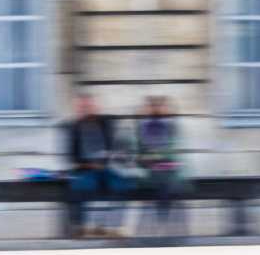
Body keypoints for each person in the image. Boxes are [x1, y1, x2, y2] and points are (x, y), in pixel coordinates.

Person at [62, 93, 128, 239]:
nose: (86, 109)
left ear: (96, 107)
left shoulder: (107, 123)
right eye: (82, 106)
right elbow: (71, 156)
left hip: (109, 166)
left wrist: (115, 157)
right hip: (86, 168)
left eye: (89, 106)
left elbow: (119, 146)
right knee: (82, 185)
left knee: (121, 184)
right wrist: (90, 165)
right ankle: (82, 226)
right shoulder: (73, 127)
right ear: (77, 109)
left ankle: (114, 226)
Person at [135, 94, 185, 235]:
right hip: (149, 169)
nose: (156, 109)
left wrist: (162, 157)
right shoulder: (143, 126)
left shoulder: (171, 125)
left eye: (160, 106)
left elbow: (174, 149)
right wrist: (150, 158)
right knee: (160, 181)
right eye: (152, 106)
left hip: (167, 169)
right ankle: (161, 220)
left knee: (165, 182)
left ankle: (162, 221)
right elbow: (140, 151)